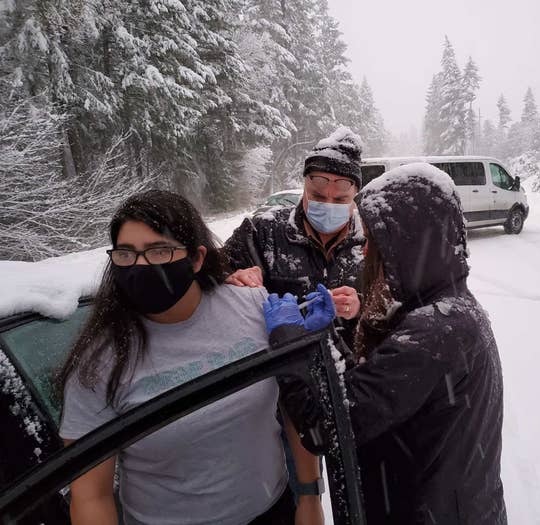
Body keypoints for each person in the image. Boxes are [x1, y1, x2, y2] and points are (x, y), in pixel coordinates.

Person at [57, 190, 324, 525]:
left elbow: (292, 405)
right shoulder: (100, 363)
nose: (141, 267)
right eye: (127, 254)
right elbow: (91, 495)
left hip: (273, 512)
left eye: (159, 251)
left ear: (196, 259)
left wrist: (310, 497)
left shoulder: (252, 306)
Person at [265, 164, 508, 524]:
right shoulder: (448, 309)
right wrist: (325, 341)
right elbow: (371, 394)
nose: (365, 255)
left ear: (408, 245)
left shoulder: (435, 331)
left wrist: (290, 345)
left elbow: (327, 427)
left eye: (374, 244)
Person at [222, 126, 365, 350]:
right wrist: (233, 279)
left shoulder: (370, 242)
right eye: (317, 196)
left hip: (349, 373)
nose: (328, 205)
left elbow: (393, 309)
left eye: (340, 200)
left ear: (355, 195)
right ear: (304, 187)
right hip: (280, 372)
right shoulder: (262, 232)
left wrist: (360, 307)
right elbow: (209, 281)